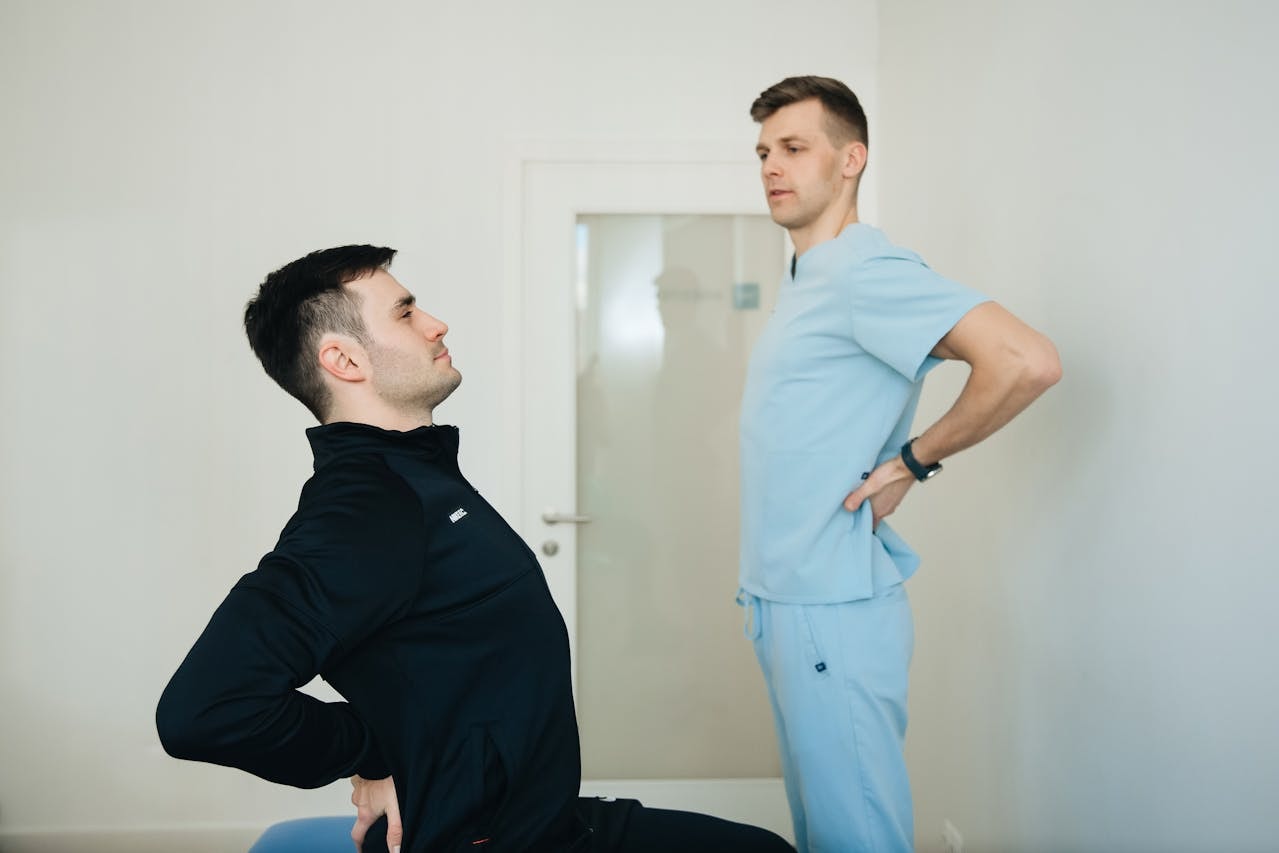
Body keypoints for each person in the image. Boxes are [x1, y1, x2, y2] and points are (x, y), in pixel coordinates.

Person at [155, 245, 793, 853]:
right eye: (405, 313)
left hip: (545, 821)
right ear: (345, 361)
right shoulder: (366, 509)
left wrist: (384, 753)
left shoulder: (415, 474)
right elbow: (205, 709)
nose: (436, 324)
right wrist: (372, 749)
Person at [737, 77, 1062, 852]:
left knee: (856, 835)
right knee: (824, 831)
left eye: (793, 147)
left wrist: (912, 462)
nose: (771, 166)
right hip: (786, 595)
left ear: (850, 159)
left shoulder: (863, 270)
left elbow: (1025, 360)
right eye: (763, 151)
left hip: (831, 603)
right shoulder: (810, 276)